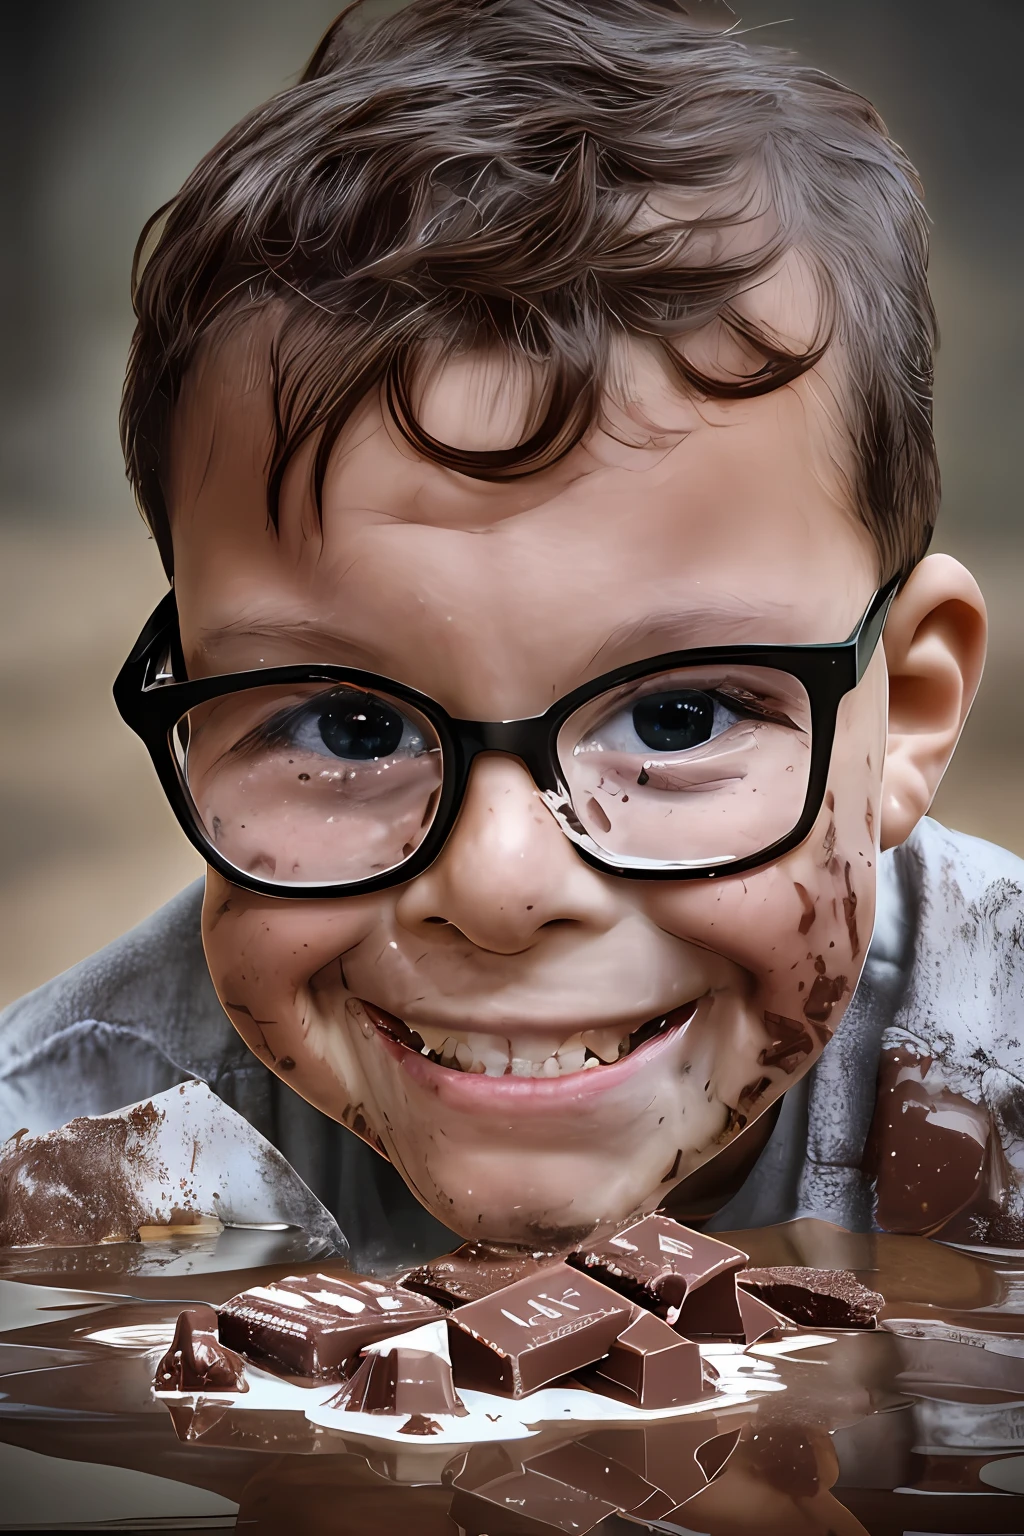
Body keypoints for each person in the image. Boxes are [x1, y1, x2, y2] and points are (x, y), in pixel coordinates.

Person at [1, 0, 1018, 1271]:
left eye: (676, 716)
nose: (496, 889)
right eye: (350, 726)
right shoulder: (60, 1179)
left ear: (908, 708)